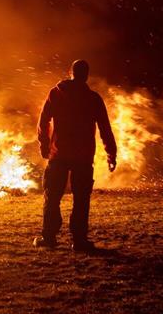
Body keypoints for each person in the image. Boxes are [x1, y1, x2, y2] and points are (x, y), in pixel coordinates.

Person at [34, 59, 117, 252]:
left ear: (70, 72)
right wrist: (111, 154)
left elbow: (43, 121)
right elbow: (105, 128)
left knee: (52, 196)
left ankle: (49, 237)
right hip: (83, 157)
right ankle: (79, 241)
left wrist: (44, 145)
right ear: (86, 75)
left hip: (59, 154)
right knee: (81, 199)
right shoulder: (93, 99)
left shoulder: (56, 94)